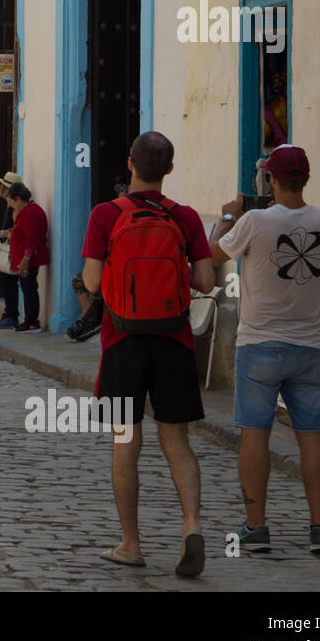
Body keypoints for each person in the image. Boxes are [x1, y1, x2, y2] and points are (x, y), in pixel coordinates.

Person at [81, 131, 215, 577]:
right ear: (169, 171)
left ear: (129, 164)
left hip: (123, 340)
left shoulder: (106, 214)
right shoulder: (186, 217)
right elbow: (207, 283)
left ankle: (131, 543)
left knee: (126, 441)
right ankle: (192, 524)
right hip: (175, 340)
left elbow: (94, 282)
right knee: (177, 441)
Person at [207, 144, 320, 554]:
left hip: (260, 343)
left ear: (270, 179)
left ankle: (256, 527)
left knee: (255, 436)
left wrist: (229, 215)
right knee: (311, 436)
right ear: (306, 179)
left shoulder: (253, 221)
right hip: (311, 345)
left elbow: (213, 252)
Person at [66, 183, 129, 342]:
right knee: (80, 280)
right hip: (106, 267)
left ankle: (89, 321)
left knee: (101, 290)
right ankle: (87, 315)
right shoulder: (110, 215)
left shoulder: (131, 218)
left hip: (121, 270)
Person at [0, 182, 48, 333]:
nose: (11, 206)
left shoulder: (30, 213)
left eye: (11, 202)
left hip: (29, 261)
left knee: (29, 288)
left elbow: (32, 239)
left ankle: (32, 322)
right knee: (27, 288)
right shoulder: (26, 212)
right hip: (24, 260)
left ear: (18, 199)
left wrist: (25, 260)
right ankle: (29, 321)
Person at [0, 172, 21, 326]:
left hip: (13, 250)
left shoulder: (15, 209)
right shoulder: (9, 207)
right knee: (6, 282)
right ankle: (8, 313)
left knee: (9, 282)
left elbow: (16, 230)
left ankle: (12, 316)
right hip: (8, 248)